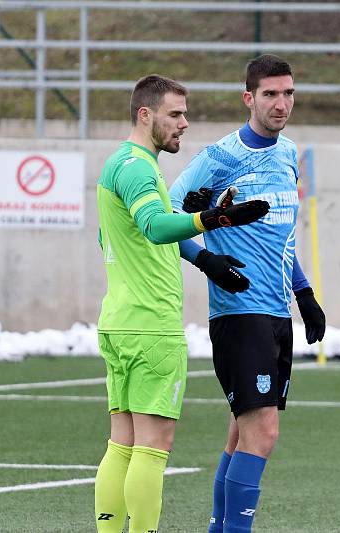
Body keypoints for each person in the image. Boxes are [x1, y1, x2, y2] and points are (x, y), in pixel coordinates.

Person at [94, 74, 269, 533]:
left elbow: (116, 236)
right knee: (153, 446)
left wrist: (204, 256)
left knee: (122, 444)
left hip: (120, 322)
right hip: (151, 327)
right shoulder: (136, 167)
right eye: (175, 114)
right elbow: (154, 226)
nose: (184, 124)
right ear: (145, 114)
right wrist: (213, 216)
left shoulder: (118, 165)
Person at [169, 54, 325, 533]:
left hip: (277, 314)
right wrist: (206, 260)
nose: (282, 104)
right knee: (263, 435)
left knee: (241, 435)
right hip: (239, 313)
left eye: (289, 93)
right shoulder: (219, 157)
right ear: (249, 99)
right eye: (271, 95)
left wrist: (304, 292)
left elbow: (283, 233)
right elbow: (164, 217)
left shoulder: (287, 152)